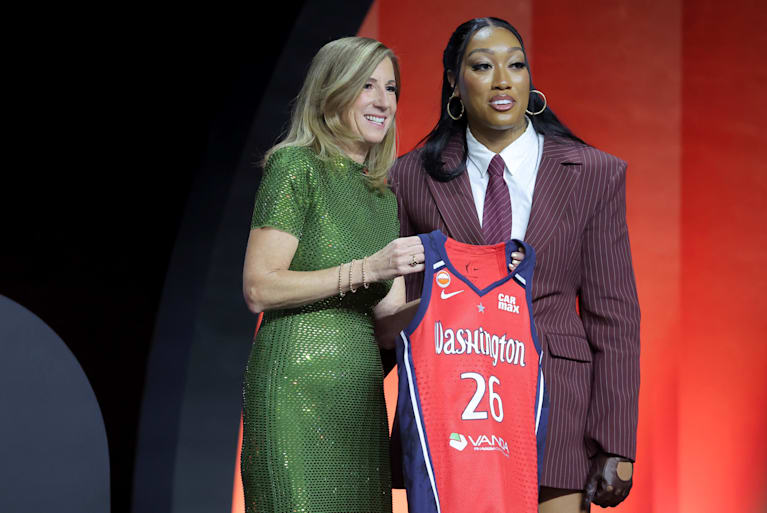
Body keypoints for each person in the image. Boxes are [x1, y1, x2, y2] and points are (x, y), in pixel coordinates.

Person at [388, 18, 641, 512]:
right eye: (482, 66)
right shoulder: (412, 177)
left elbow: (615, 316)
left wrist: (616, 442)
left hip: (557, 404)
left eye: (516, 64)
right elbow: (398, 308)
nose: (504, 79)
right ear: (455, 85)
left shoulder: (593, 173)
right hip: (455, 408)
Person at [240, 36, 425, 513]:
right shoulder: (295, 166)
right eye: (367, 85)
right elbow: (260, 287)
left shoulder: (383, 198)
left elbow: (386, 324)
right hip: (294, 394)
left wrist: (457, 291)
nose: (383, 101)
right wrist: (369, 268)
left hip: (361, 399)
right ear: (331, 91)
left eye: (391, 88)